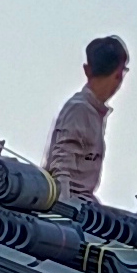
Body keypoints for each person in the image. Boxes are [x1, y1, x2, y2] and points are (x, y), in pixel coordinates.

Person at [47, 35, 127, 202]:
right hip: (70, 206)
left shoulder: (92, 110)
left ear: (87, 69)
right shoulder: (80, 109)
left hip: (83, 205)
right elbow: (60, 168)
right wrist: (65, 212)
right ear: (119, 74)